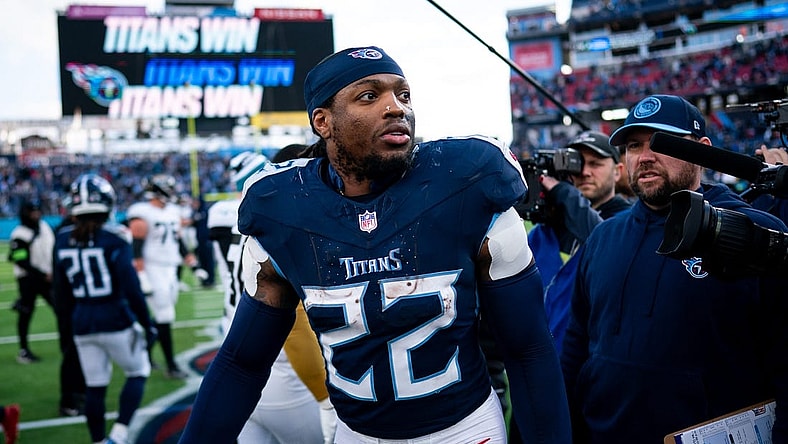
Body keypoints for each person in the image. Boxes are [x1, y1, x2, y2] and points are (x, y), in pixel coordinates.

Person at [179, 46, 571, 443]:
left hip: (464, 429)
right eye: (369, 96)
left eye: (403, 95)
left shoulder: (467, 183)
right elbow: (241, 363)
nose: (396, 108)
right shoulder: (285, 209)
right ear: (323, 121)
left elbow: (529, 349)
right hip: (357, 433)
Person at [561, 94, 788, 444]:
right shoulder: (603, 237)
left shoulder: (756, 233)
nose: (645, 157)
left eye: (662, 142)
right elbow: (578, 343)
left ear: (704, 150)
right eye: (634, 146)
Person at [206, 147, 335, 444]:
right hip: (289, 376)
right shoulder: (289, 228)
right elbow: (295, 329)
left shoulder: (248, 222)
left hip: (238, 369)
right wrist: (325, 397)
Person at [53, 174, 157, 444]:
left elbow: (61, 294)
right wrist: (147, 323)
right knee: (138, 372)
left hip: (82, 322)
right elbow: (132, 287)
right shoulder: (115, 237)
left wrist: (67, 327)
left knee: (95, 387)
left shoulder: (62, 238)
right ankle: (119, 435)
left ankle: (98, 440)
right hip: (114, 318)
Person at [528, 130, 631, 352]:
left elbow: (606, 243)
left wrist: (565, 194)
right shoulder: (549, 228)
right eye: (578, 164)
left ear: (618, 171)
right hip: (549, 358)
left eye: (596, 164)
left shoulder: (630, 220)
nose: (584, 172)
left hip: (599, 357)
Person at [126, 174, 193, 379]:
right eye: (169, 189)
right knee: (165, 315)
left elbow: (177, 240)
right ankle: (171, 366)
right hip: (153, 268)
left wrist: (192, 262)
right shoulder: (141, 212)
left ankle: (142, 352)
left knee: (164, 314)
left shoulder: (173, 211)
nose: (172, 193)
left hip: (171, 268)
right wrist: (142, 275)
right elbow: (136, 248)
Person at [9, 199, 55, 364]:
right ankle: (24, 350)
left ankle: (71, 343)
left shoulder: (45, 227)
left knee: (61, 309)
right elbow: (20, 260)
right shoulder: (19, 234)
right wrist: (42, 274)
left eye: (37, 211)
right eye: (32, 212)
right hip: (29, 280)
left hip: (47, 278)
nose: (36, 214)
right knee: (26, 313)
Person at [53, 198, 87, 417]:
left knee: (84, 353)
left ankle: (80, 393)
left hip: (82, 301)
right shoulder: (65, 232)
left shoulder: (71, 229)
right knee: (72, 353)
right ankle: (68, 398)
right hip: (72, 301)